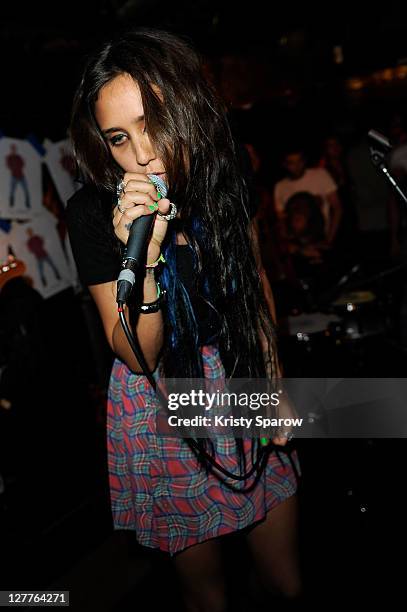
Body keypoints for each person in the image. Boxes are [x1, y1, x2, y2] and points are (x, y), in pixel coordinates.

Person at [66, 28, 302, 611]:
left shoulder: (226, 177)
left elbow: (254, 285)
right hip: (159, 396)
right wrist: (140, 260)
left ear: (187, 108)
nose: (141, 154)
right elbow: (138, 353)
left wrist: (272, 386)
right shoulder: (95, 212)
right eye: (120, 137)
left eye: (152, 123)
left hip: (238, 374)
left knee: (287, 581)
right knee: (207, 597)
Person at [274, 146, 343, 248]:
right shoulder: (280, 186)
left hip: (321, 242)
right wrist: (290, 246)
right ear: (285, 164)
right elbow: (281, 220)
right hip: (297, 247)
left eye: (300, 161)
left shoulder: (320, 175)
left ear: (304, 160)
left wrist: (329, 240)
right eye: (292, 163)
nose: (297, 166)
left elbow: (337, 208)